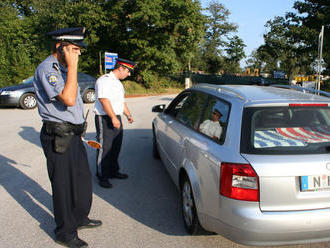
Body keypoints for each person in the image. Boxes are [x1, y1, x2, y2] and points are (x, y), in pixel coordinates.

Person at [33, 27, 101, 248]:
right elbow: (69, 99)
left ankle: (79, 217)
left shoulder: (63, 68)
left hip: (73, 133)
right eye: (73, 49)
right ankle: (64, 231)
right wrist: (73, 67)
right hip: (58, 135)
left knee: (81, 180)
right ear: (58, 46)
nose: (78, 54)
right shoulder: (48, 69)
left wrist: (70, 66)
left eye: (79, 50)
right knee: (63, 185)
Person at [94, 58, 135, 188]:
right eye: (128, 71)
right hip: (105, 117)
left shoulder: (118, 83)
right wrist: (112, 117)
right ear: (120, 68)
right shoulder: (104, 80)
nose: (129, 74)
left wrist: (128, 115)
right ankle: (103, 176)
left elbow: (121, 102)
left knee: (116, 146)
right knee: (104, 147)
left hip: (115, 116)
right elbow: (104, 100)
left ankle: (113, 171)